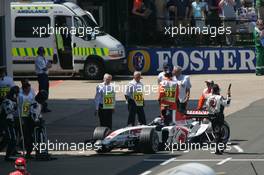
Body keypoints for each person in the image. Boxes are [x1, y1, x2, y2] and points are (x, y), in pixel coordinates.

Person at [206, 84, 231, 154]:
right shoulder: (219, 97)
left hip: (211, 116)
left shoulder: (209, 98)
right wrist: (228, 96)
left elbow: (207, 107)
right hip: (218, 116)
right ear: (217, 90)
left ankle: (220, 148)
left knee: (217, 132)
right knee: (218, 133)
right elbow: (227, 104)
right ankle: (217, 150)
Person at [1, 86, 20, 161]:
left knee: (9, 139)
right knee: (10, 138)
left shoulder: (12, 100)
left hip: (10, 121)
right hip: (6, 121)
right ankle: (8, 156)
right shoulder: (7, 101)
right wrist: (14, 107)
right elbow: (8, 111)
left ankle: (8, 155)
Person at [35, 46, 52, 113]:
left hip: (45, 76)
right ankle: (41, 106)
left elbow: (50, 65)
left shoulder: (43, 58)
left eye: (43, 51)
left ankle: (44, 106)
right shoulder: (38, 59)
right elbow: (44, 68)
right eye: (41, 51)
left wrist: (48, 65)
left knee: (45, 91)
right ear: (39, 52)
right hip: (41, 76)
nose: (42, 53)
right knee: (42, 91)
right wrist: (48, 65)